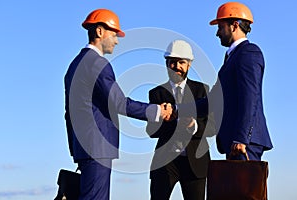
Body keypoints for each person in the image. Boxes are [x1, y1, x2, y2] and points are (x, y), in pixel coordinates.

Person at [64, 9, 172, 200]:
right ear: (99, 32)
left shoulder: (74, 65)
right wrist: (157, 111)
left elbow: (68, 113)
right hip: (98, 147)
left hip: (83, 146)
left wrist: (75, 146)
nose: (116, 40)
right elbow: (119, 103)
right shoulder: (97, 63)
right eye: (114, 34)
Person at [178, 2, 273, 161]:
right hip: (235, 142)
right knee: (235, 186)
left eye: (220, 27)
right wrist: (177, 109)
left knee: (245, 186)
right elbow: (213, 101)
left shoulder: (248, 53)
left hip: (243, 143)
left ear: (234, 25)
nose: (217, 33)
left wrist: (242, 138)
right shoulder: (232, 57)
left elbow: (250, 97)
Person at [146, 40, 213, 200]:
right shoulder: (156, 94)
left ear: (189, 64)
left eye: (181, 62)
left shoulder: (202, 90)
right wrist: (175, 123)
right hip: (165, 163)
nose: (177, 66)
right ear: (166, 63)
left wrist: (193, 126)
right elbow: (151, 130)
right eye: (172, 62)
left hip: (195, 163)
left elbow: (212, 127)